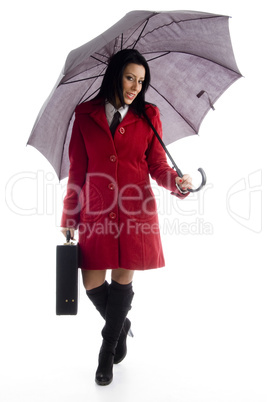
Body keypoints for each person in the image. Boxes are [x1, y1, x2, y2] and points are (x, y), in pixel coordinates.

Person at [61, 49, 192, 386]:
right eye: (130, 77)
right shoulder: (85, 113)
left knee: (123, 279)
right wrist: (69, 216)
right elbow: (77, 169)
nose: (136, 86)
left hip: (136, 208)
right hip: (96, 208)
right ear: (116, 75)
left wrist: (176, 183)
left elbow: (158, 165)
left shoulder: (149, 115)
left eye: (142, 81)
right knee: (91, 282)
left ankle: (107, 352)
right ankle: (121, 325)